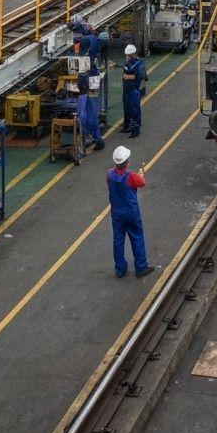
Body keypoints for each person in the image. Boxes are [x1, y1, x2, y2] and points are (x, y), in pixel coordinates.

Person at [107, 145, 154, 278]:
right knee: (137, 237)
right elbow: (141, 182)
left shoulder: (109, 174)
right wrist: (140, 174)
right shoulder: (131, 176)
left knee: (118, 240)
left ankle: (120, 269)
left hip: (116, 213)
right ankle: (141, 267)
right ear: (127, 162)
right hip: (131, 213)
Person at [116, 43, 145, 137]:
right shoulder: (138, 62)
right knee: (129, 108)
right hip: (130, 89)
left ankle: (135, 130)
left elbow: (137, 76)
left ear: (130, 55)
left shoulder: (133, 64)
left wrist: (127, 76)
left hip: (132, 89)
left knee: (133, 109)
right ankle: (127, 126)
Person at [76, 72, 105, 151]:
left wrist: (81, 124)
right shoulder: (89, 96)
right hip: (93, 120)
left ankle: (94, 143)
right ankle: (99, 141)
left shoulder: (82, 98)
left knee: (92, 128)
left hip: (88, 122)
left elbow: (82, 115)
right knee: (95, 129)